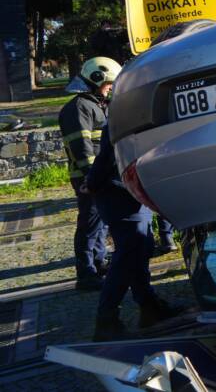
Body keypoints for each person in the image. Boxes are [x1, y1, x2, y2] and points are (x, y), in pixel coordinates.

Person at [85, 126, 184, 340]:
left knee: (141, 246)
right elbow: (110, 155)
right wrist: (92, 183)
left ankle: (149, 308)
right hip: (120, 193)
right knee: (129, 253)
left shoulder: (132, 112)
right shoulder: (125, 114)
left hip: (128, 191)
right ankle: (107, 320)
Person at [59, 56, 120, 291]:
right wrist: (90, 178)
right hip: (87, 176)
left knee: (101, 222)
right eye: (109, 83)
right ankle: (85, 273)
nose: (111, 88)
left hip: (98, 175)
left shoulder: (95, 105)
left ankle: (98, 262)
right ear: (96, 79)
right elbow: (81, 147)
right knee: (90, 223)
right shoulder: (79, 107)